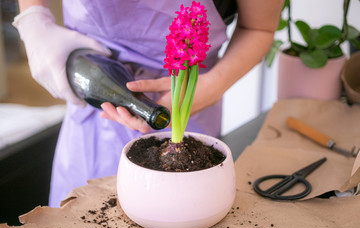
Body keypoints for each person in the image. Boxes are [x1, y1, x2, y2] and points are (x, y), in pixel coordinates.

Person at [13, 0, 284, 207]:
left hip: (188, 107)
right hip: (91, 113)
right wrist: (34, 20)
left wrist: (213, 85)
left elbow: (258, 27)